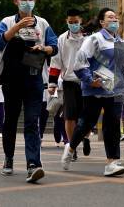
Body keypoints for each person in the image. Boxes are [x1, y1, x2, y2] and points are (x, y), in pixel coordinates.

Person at [0, 0, 58, 184]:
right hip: (12, 79)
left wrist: (43, 48)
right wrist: (17, 27)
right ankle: (9, 158)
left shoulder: (43, 23)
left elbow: (54, 46)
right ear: (16, 1)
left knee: (32, 122)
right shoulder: (7, 22)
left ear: (35, 1)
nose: (27, 1)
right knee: (10, 121)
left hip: (34, 79)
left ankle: (33, 165)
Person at [61, 7, 124, 177]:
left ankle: (112, 162)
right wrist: (90, 80)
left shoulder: (121, 42)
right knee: (85, 125)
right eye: (110, 18)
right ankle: (71, 147)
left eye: (116, 17)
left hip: (115, 90)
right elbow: (79, 62)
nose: (114, 20)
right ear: (102, 22)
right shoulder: (94, 39)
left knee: (112, 126)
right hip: (94, 90)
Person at [49, 9, 89, 160]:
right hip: (69, 81)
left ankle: (85, 138)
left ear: (81, 21)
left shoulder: (89, 39)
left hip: (86, 82)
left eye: (76, 22)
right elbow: (56, 61)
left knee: (86, 116)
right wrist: (52, 83)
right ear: (67, 22)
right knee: (69, 116)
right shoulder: (61, 39)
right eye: (70, 22)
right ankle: (72, 147)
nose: (73, 25)